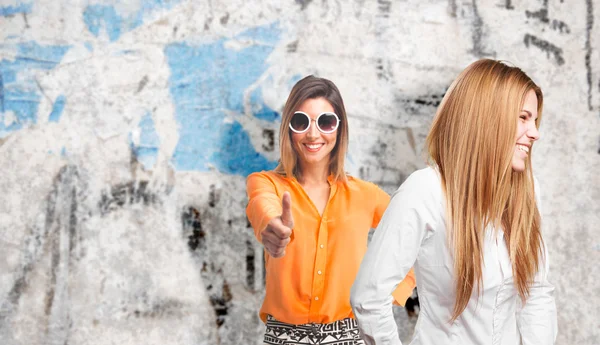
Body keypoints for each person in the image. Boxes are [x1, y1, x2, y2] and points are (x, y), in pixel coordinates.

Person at [350, 59, 557, 345]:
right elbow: (368, 298)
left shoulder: (527, 191)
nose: (535, 132)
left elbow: (536, 292)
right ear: (488, 118)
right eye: (523, 118)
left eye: (534, 120)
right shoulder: (426, 191)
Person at [246, 75, 417, 344]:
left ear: (339, 129)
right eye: (301, 121)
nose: (313, 134)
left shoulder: (366, 195)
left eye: (325, 122)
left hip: (349, 336)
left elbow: (416, 237)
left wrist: (387, 296)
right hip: (284, 338)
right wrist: (272, 227)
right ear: (288, 128)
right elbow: (261, 206)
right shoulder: (266, 183)